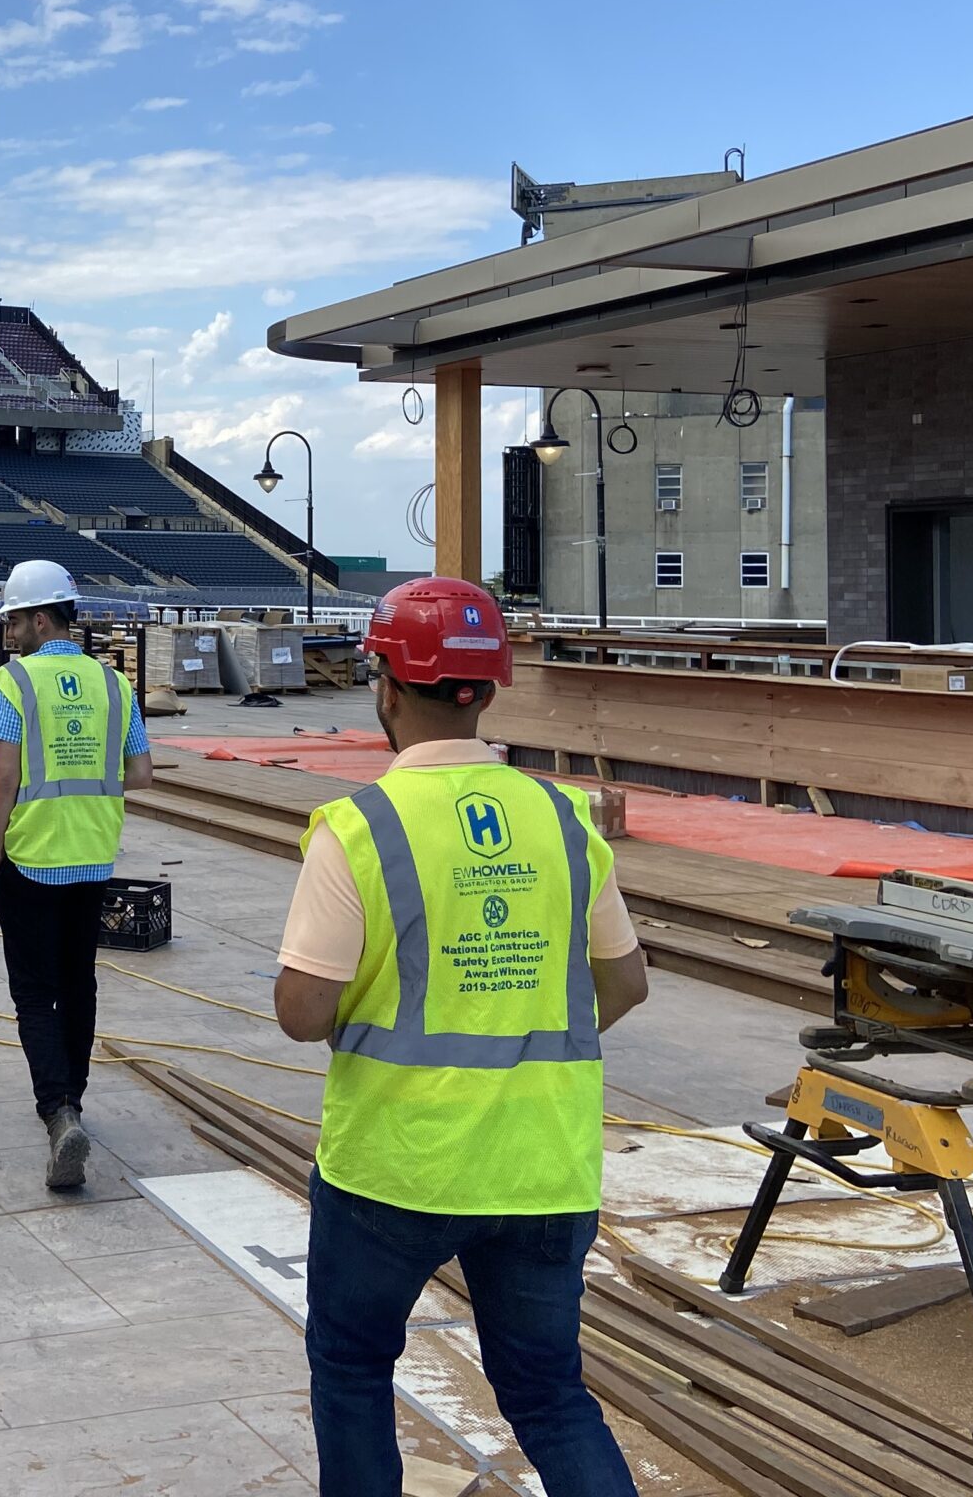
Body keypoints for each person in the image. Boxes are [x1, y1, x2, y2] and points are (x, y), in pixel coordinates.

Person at [272, 577, 649, 1497]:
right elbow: (626, 984)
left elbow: (301, 1011)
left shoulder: (360, 828)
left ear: (388, 687)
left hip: (396, 1167)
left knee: (355, 1371)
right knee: (550, 1396)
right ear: (487, 690)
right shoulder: (562, 820)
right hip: (542, 1166)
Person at [0, 559, 153, 1190]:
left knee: (32, 989)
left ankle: (57, 1109)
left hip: (30, 855)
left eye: (16, 620)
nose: (12, 632)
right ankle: (74, 1098)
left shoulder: (14, 683)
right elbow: (140, 774)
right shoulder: (114, 685)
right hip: (93, 855)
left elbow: (4, 773)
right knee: (77, 980)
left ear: (39, 616)